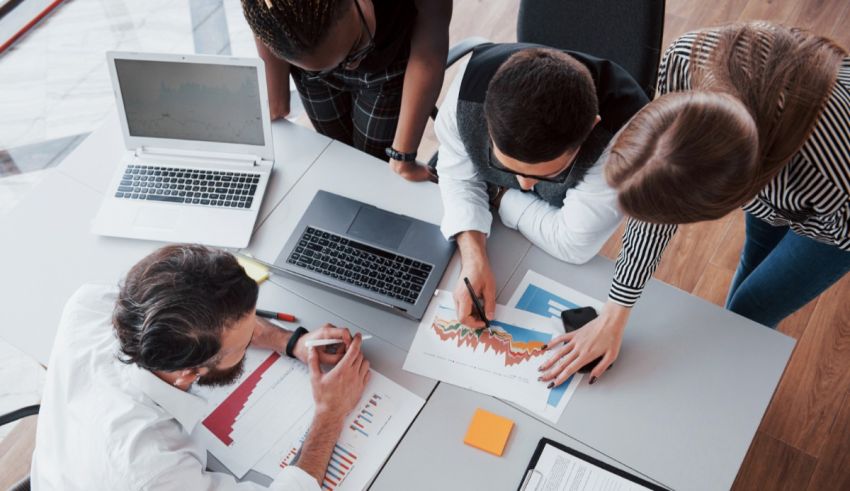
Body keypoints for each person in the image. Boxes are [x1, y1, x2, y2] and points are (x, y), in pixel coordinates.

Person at [539, 22, 850, 388]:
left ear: (725, 202)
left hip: (836, 224)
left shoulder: (829, 174)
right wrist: (614, 312)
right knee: (756, 253)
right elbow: (660, 188)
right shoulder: (687, 59)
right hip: (779, 174)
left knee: (750, 309)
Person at [32, 244, 370, 490]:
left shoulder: (91, 304)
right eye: (243, 342)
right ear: (188, 373)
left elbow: (202, 311)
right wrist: (330, 414)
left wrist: (289, 341)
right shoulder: (155, 470)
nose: (255, 333)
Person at [435, 44, 648, 328]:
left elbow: (572, 243)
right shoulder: (465, 94)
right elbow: (457, 177)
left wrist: (497, 192)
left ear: (590, 128)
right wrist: (473, 258)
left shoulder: (625, 141)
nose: (522, 183)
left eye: (546, 174)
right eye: (506, 167)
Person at [241, 0, 451, 182]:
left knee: (371, 169)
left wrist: (402, 156)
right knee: (341, 159)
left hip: (386, 64)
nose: (349, 66)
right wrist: (274, 99)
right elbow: (265, 17)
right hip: (314, 75)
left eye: (358, 43)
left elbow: (429, 52)